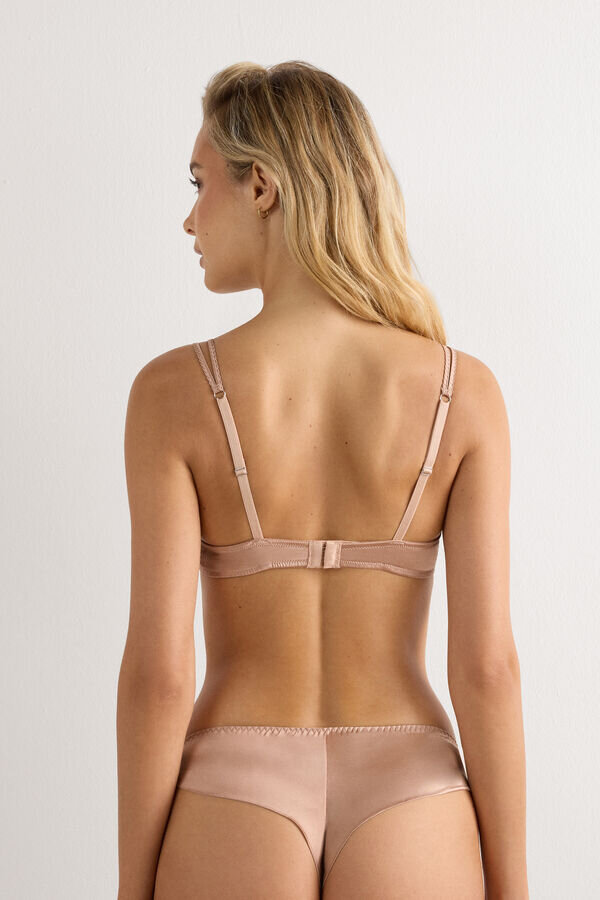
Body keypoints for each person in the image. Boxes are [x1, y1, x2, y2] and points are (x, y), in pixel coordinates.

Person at [117, 61, 528, 900]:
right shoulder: (465, 394)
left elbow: (160, 675)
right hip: (412, 792)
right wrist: (513, 887)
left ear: (261, 186)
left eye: (200, 182)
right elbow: (487, 668)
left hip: (235, 791)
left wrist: (133, 885)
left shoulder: (172, 394)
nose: (190, 217)